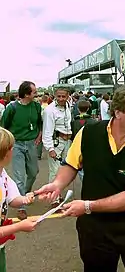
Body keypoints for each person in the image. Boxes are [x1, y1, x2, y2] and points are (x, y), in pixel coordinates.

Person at [35, 86, 125, 272]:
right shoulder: (89, 132)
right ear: (118, 112)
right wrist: (57, 184)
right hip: (95, 229)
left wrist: (87, 206)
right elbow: (71, 164)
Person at [1, 81, 42, 220]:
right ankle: (21, 207)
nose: (37, 94)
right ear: (26, 94)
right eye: (34, 92)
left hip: (31, 143)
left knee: (33, 172)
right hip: (17, 144)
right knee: (19, 177)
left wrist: (39, 136)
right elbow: (3, 127)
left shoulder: (36, 106)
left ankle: (24, 193)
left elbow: (39, 123)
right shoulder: (11, 108)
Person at [0, 127, 37, 272]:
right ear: (5, 153)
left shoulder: (2, 174)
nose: (13, 150)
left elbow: (11, 198)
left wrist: (24, 199)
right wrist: (19, 227)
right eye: (11, 147)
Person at [42, 87, 72, 208]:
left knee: (64, 170)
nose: (60, 99)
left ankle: (58, 194)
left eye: (63, 96)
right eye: (58, 96)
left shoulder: (68, 106)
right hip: (56, 142)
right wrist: (50, 148)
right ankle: (53, 199)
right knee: (54, 171)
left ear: (67, 96)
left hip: (67, 142)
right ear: (54, 96)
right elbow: (47, 130)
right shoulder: (49, 111)